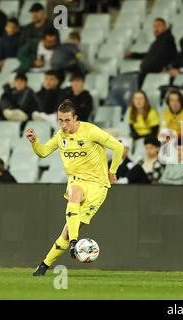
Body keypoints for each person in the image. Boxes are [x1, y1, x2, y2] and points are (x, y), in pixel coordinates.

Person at [27, 99, 124, 276]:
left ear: (76, 119)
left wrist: (112, 171)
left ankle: (47, 261)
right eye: (60, 120)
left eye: (67, 120)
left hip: (97, 185)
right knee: (74, 195)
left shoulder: (90, 131)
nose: (63, 125)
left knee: (65, 233)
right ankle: (69, 246)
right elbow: (43, 152)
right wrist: (34, 142)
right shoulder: (60, 136)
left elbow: (118, 147)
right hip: (77, 180)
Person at [126, 18, 177, 85]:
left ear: (165, 27)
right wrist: (133, 55)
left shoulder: (167, 39)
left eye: (159, 26)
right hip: (146, 73)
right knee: (125, 77)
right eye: (154, 26)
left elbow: (163, 57)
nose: (156, 29)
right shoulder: (158, 41)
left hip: (152, 75)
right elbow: (149, 55)